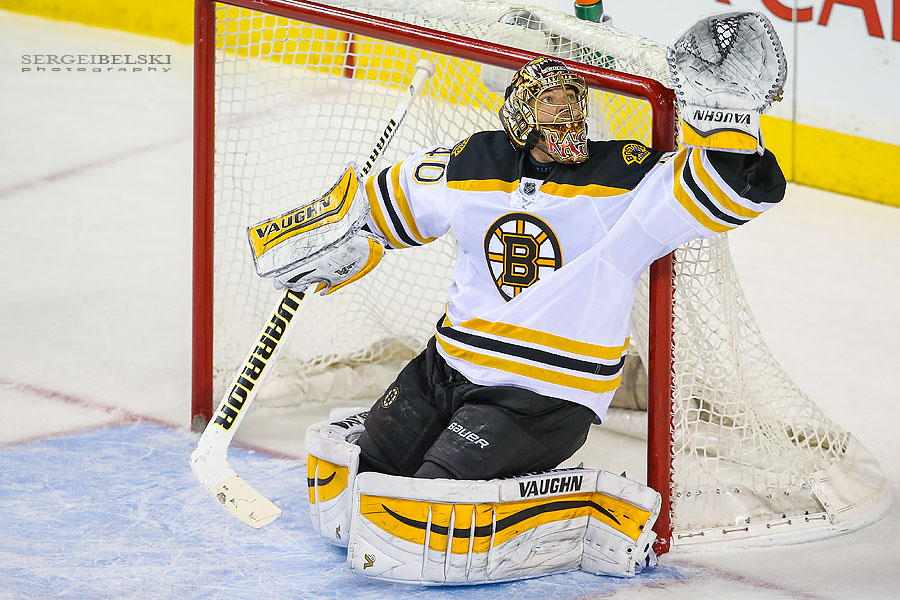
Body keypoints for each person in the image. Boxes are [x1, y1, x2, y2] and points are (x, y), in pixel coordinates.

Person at [287, 55, 786, 483]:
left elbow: (735, 187)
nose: (567, 111)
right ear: (523, 113)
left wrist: (730, 117)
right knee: (358, 470)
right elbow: (380, 206)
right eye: (552, 102)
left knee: (431, 494)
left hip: (544, 394)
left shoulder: (625, 176)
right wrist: (336, 232)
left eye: (574, 100)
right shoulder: (476, 161)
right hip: (446, 366)